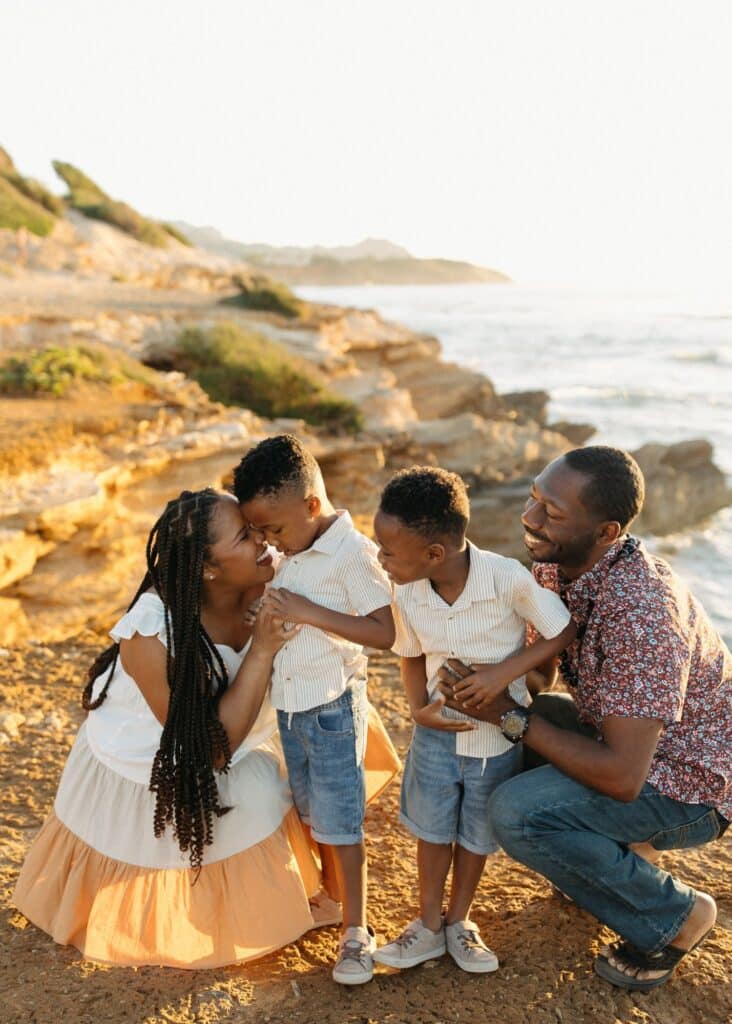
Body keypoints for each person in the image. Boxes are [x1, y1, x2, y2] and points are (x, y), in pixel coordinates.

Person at [438, 446, 731, 992]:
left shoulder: (643, 614)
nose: (529, 519)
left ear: (605, 531)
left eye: (551, 512)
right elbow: (541, 680)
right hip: (631, 743)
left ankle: (674, 917)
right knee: (530, 719)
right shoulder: (558, 562)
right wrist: (487, 671)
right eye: (533, 498)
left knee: (519, 813)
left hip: (690, 784)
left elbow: (624, 779)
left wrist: (506, 715)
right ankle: (622, 855)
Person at [14, 488, 326, 968]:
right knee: (252, 801)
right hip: (163, 763)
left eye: (256, 527)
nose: (263, 541)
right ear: (208, 568)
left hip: (238, 730)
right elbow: (210, 752)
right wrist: (261, 649)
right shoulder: (150, 632)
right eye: (245, 536)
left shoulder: (275, 573)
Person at [371, 466, 575, 973]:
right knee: (433, 830)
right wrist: (419, 707)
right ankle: (428, 927)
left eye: (389, 552)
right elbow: (411, 652)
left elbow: (560, 630)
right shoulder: (410, 590)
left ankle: (459, 922)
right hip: (437, 736)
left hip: (496, 738)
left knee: (475, 834)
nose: (381, 560)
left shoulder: (507, 579)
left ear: (434, 554)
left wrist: (503, 673)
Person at [233, 434, 397, 986]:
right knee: (307, 812)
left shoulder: (354, 554)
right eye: (256, 532)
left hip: (331, 708)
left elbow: (386, 630)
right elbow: (287, 603)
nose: (266, 541)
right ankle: (329, 899)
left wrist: (308, 609)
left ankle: (357, 931)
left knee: (340, 822)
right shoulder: (295, 550)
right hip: (291, 710)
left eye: (272, 530)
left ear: (310, 506)